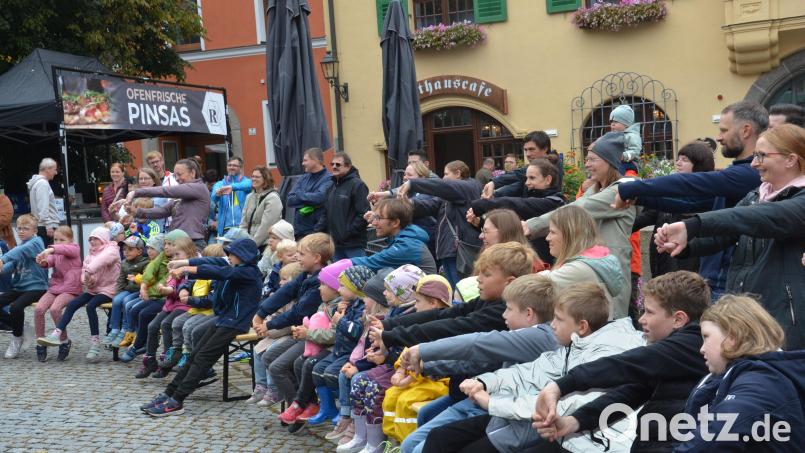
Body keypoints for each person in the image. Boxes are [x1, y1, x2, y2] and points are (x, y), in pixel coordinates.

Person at [423, 283, 644, 453]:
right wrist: (485, 382)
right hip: (547, 429)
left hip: (587, 443)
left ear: (582, 326)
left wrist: (492, 402)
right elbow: (531, 372)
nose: (552, 325)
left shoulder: (605, 355)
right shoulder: (575, 344)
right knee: (439, 438)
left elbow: (559, 407)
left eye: (558, 319)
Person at [655, 123, 805, 349]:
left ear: (791, 160)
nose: (755, 164)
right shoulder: (758, 194)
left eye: (762, 156)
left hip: (783, 321)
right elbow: (727, 234)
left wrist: (694, 225)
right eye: (755, 156)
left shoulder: (799, 199)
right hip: (746, 315)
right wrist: (686, 244)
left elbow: (755, 218)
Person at [533, 271, 711, 453]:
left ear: (678, 319)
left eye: (649, 312)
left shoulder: (695, 343)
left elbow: (628, 365)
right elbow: (632, 392)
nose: (641, 320)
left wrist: (561, 386)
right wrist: (575, 421)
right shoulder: (683, 351)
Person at [615, 101, 767, 299]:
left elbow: (688, 184)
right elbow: (693, 204)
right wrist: (639, 197)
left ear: (746, 130)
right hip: (714, 278)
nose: (718, 137)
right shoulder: (741, 173)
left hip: (727, 283)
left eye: (723, 130)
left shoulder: (749, 174)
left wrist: (631, 187)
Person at [398, 274, 558, 453]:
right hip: (484, 407)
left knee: (424, 447)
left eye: (509, 309)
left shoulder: (540, 337)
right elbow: (479, 363)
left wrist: (424, 349)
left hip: (506, 419)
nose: (504, 314)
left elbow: (477, 343)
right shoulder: (527, 334)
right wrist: (429, 365)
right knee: (412, 443)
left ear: (528, 313)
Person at [139, 237, 262, 417]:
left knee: (203, 359)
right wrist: (182, 262)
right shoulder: (236, 265)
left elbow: (218, 272)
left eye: (233, 254)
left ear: (243, 255)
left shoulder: (249, 272)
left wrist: (186, 269)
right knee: (195, 355)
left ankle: (177, 400)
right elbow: (210, 261)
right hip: (223, 319)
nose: (229, 256)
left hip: (235, 323)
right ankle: (169, 394)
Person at [675, 295, 805, 451]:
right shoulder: (735, 376)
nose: (701, 349)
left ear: (733, 337)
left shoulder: (760, 382)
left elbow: (711, 440)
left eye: (706, 337)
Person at [527, 132, 636, 316]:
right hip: (592, 268)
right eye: (586, 159)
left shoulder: (621, 190)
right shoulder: (594, 189)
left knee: (610, 323)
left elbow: (579, 209)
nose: (587, 164)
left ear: (609, 162)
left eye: (592, 159)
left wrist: (532, 225)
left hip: (610, 274)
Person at [257, 233, 332, 408]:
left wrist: (267, 324)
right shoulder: (306, 274)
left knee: (278, 366)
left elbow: (298, 312)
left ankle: (299, 404)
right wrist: (261, 312)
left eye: (301, 253)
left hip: (312, 336)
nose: (297, 257)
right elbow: (286, 292)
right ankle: (300, 400)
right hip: (301, 333)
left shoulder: (319, 279)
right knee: (268, 357)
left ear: (316, 258)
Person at [631, 140, 715, 278]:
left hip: (688, 266)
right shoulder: (669, 189)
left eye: (685, 160)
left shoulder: (707, 196)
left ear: (699, 164)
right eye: (678, 159)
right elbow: (646, 217)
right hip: (661, 262)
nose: (678, 163)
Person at [37, 226, 120, 362]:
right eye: (91, 239)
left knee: (90, 306)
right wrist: (87, 280)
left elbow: (100, 262)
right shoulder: (91, 253)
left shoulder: (111, 250)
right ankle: (56, 333)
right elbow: (84, 271)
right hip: (94, 290)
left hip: (109, 290)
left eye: (96, 239)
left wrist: (89, 272)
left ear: (104, 239)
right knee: (73, 305)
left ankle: (95, 344)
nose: (92, 241)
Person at [399, 160, 482, 287]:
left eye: (446, 174)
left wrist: (413, 183)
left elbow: (442, 186)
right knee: (454, 291)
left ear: (458, 173)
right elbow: (432, 205)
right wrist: (409, 203)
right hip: (449, 250)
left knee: (461, 291)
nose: (443, 178)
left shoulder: (469, 186)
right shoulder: (451, 194)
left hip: (458, 251)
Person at [468, 158, 566, 264]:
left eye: (532, 178)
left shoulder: (554, 202)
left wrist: (481, 205)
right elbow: (506, 226)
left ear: (548, 180)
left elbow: (514, 204)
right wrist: (479, 223)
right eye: (526, 178)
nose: (527, 183)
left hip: (544, 265)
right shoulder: (527, 193)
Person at [138, 237, 197, 379]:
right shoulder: (174, 267)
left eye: (178, 255)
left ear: (188, 254)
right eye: (173, 255)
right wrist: (163, 288)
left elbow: (184, 289)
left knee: (166, 324)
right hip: (170, 304)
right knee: (152, 326)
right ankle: (150, 360)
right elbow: (170, 284)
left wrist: (168, 290)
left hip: (184, 305)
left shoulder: (190, 269)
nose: (174, 257)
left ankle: (167, 360)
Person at [123, 158, 211, 250]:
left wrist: (136, 192)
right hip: (175, 243)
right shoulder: (183, 195)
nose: (177, 179)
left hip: (192, 243)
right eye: (175, 175)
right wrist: (136, 212)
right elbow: (162, 211)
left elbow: (165, 191)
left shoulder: (199, 188)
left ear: (192, 173)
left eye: (179, 174)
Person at [0, 214, 47, 358]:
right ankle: (21, 328)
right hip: (19, 287)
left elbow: (17, 252)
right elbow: (12, 265)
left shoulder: (36, 243)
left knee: (16, 307)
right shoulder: (21, 245)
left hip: (37, 287)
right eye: (19, 228)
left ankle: (16, 338)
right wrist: (2, 268)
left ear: (35, 231)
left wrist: (2, 259)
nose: (21, 231)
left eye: (25, 228)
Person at [32, 227, 82, 362]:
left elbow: (66, 250)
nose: (58, 242)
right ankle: (40, 342)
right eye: (55, 239)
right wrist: (42, 262)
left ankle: (64, 341)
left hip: (71, 288)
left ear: (71, 240)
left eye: (62, 239)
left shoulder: (74, 248)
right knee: (39, 309)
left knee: (55, 309)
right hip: (55, 287)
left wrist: (51, 249)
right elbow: (50, 262)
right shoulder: (55, 252)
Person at [351, 198, 437, 274]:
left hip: (422, 291)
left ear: (395, 223)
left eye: (378, 218)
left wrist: (344, 264)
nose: (374, 223)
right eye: (375, 217)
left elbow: (372, 262)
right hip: (414, 290)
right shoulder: (406, 238)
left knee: (376, 280)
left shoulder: (406, 245)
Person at [315, 152, 370, 260]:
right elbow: (326, 213)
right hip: (335, 245)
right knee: (337, 276)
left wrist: (347, 233)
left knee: (357, 275)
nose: (334, 167)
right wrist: (316, 232)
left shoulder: (357, 185)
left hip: (353, 245)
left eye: (338, 164)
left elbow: (364, 214)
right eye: (332, 164)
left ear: (348, 166)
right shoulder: (331, 186)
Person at [103, 236, 150, 347]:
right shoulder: (124, 263)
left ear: (139, 251)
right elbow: (121, 281)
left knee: (125, 301)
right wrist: (117, 294)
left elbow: (147, 281)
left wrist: (137, 279)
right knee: (117, 300)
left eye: (130, 249)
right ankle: (114, 329)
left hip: (139, 292)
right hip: (128, 290)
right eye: (124, 249)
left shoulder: (145, 263)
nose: (126, 252)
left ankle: (125, 330)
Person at [482, 131, 555, 198]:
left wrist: (494, 183)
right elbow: (517, 186)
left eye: (531, 149)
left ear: (545, 149)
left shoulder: (551, 166)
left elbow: (518, 174)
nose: (527, 154)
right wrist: (495, 194)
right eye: (525, 150)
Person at [286, 148, 333, 238]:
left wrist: (299, 195)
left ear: (315, 160)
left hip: (317, 232)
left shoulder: (329, 178)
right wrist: (310, 200)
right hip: (299, 231)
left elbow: (320, 198)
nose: (303, 163)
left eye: (305, 160)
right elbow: (290, 200)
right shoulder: (303, 178)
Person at [239, 165, 281, 252]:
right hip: (248, 243)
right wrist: (243, 239)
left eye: (257, 177)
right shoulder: (249, 196)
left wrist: (253, 244)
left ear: (265, 179)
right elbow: (243, 222)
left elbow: (266, 226)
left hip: (265, 245)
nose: (253, 179)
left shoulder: (272, 198)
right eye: (253, 176)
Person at [211, 157, 252, 237]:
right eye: (229, 165)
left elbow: (249, 185)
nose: (231, 167)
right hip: (225, 228)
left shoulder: (246, 181)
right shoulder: (220, 184)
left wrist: (232, 187)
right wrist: (217, 194)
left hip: (243, 227)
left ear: (240, 168)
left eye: (234, 165)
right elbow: (213, 198)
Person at [27, 158, 60, 246]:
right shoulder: (43, 183)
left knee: (44, 255)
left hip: (42, 225)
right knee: (48, 256)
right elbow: (43, 207)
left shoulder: (37, 183)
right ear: (47, 169)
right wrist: (49, 225)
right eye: (55, 169)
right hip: (46, 226)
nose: (56, 172)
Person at [609, 104, 642, 173]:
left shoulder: (632, 136)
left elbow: (635, 151)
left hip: (630, 163)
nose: (612, 124)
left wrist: (624, 156)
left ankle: (620, 181)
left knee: (619, 168)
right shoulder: (614, 136)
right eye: (611, 122)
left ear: (626, 124)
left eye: (616, 122)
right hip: (616, 161)